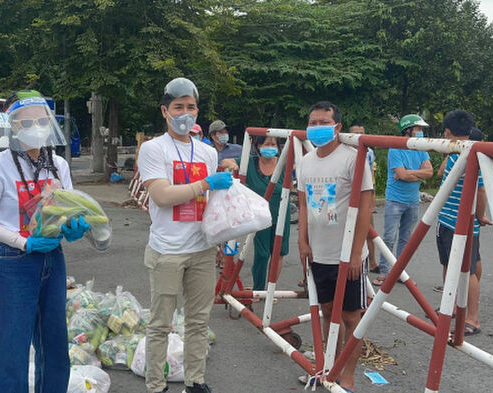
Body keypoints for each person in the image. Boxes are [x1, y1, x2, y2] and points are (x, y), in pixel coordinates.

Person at [0, 90, 91, 393]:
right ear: (14, 126)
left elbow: (66, 211)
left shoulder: (59, 165)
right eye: (29, 122)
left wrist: (72, 228)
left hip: (53, 259)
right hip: (14, 263)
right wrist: (23, 243)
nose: (37, 126)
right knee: (12, 352)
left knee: (54, 350)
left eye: (42, 120)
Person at [137, 77, 233, 393]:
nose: (185, 113)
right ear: (165, 111)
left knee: (198, 322)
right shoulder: (153, 149)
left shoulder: (206, 153)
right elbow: (162, 196)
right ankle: (155, 385)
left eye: (190, 107)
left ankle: (195, 381)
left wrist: (219, 237)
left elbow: (212, 204)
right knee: (161, 324)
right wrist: (205, 185)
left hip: (201, 249)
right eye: (178, 107)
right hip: (167, 250)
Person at [297, 101, 373, 393]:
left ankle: (348, 377)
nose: (316, 127)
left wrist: (356, 252)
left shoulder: (353, 159)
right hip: (318, 252)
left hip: (347, 254)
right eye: (312, 122)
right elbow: (303, 203)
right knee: (328, 313)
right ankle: (329, 368)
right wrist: (302, 241)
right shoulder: (305, 161)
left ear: (337, 127)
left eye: (323, 122)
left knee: (353, 317)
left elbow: (366, 205)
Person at [436, 115, 490, 336]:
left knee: (467, 270)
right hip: (446, 219)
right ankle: (452, 306)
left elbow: (481, 189)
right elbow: (441, 174)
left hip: (463, 223)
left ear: (447, 132)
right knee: (449, 264)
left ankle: (472, 318)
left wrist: (480, 215)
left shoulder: (473, 157)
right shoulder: (456, 154)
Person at [220, 136, 290, 292]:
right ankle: (259, 289)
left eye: (273, 144)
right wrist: (232, 164)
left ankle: (270, 290)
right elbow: (225, 162)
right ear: (258, 146)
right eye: (266, 144)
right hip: (260, 216)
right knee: (262, 254)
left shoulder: (283, 164)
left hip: (281, 215)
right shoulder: (250, 163)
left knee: (278, 252)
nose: (270, 147)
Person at [372, 115, 433, 286]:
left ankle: (398, 271)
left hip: (412, 200)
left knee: (406, 238)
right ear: (408, 129)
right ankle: (385, 272)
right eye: (418, 129)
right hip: (395, 200)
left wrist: (409, 174)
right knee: (390, 237)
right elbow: (402, 174)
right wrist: (416, 174)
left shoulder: (422, 148)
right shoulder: (396, 148)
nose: (420, 132)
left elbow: (429, 172)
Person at [348, 122, 378, 274]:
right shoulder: (345, 152)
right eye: (356, 133)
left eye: (363, 132)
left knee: (368, 230)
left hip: (365, 194)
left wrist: (371, 199)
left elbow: (371, 177)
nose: (360, 136)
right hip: (347, 197)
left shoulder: (369, 152)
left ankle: (372, 262)